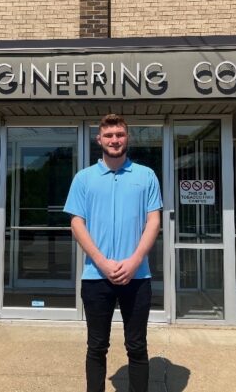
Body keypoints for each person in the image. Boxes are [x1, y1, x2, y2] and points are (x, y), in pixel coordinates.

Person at [64, 114, 162, 392]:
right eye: (109, 135)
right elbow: (76, 222)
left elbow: (153, 221)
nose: (114, 140)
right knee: (96, 346)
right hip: (96, 277)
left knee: (137, 346)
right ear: (99, 140)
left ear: (127, 137)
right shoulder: (84, 178)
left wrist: (133, 262)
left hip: (138, 276)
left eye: (119, 134)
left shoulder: (146, 176)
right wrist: (101, 262)